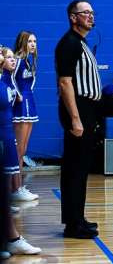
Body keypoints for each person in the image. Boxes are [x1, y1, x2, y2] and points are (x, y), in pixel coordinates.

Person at [55, 0, 101, 238]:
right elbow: (65, 83)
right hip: (78, 109)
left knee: (81, 168)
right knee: (74, 168)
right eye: (86, 13)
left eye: (92, 13)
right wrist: (75, 118)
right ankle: (72, 224)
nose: (91, 16)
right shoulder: (69, 44)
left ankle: (78, 218)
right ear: (73, 17)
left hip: (87, 109)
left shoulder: (81, 43)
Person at [0, 50, 41, 258]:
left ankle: (10, 240)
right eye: (4, 55)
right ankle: (12, 239)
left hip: (5, 138)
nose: (10, 59)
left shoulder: (5, 79)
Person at [1, 48, 38, 202]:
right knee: (13, 157)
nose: (12, 60)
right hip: (4, 127)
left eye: (12, 57)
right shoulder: (4, 80)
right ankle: (14, 190)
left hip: (7, 126)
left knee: (14, 158)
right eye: (8, 57)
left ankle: (14, 191)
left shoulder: (8, 79)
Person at [12, 32, 39, 191]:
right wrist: (18, 95)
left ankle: (19, 187)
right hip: (21, 105)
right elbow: (10, 80)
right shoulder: (18, 60)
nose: (33, 44)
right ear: (23, 42)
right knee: (18, 149)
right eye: (30, 41)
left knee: (23, 149)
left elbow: (31, 82)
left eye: (35, 41)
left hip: (29, 103)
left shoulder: (30, 61)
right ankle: (15, 188)